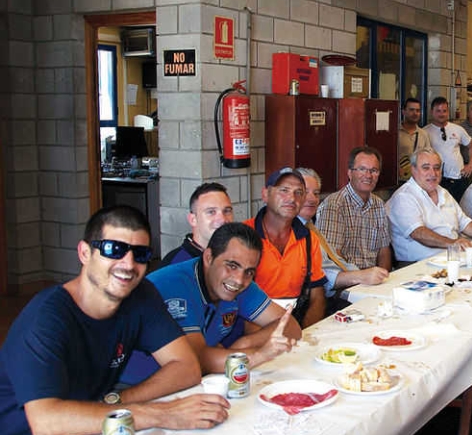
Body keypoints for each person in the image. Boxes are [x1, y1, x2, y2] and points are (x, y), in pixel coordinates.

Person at [0, 206, 228, 435]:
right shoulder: (46, 318)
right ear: (84, 253)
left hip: (98, 425)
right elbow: (46, 423)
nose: (128, 264)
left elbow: (186, 367)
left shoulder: (139, 295)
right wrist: (163, 413)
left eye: (140, 254)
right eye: (113, 249)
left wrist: (114, 402)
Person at [119, 223, 303, 384]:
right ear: (208, 257)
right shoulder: (176, 285)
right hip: (138, 386)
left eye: (249, 271)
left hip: (193, 381)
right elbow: (199, 359)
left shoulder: (240, 284)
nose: (239, 280)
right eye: (231, 265)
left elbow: (291, 326)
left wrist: (243, 343)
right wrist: (260, 354)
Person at [387, 148, 472, 264]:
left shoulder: (442, 192)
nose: (432, 173)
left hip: (452, 257)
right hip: (418, 265)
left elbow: (464, 223)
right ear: (413, 170)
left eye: (437, 168)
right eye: (426, 168)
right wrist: (452, 243)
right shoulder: (404, 196)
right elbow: (418, 233)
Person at [246, 167, 327, 328]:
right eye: (284, 190)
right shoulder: (244, 236)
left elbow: (317, 296)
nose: (291, 198)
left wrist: (305, 334)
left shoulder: (308, 239)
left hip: (295, 325)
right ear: (265, 195)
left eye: (299, 192)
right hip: (252, 328)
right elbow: (235, 300)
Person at [304, 155, 391, 300]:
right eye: (362, 169)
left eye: (374, 170)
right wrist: (361, 277)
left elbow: (384, 250)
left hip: (370, 281)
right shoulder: (334, 205)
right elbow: (334, 261)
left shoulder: (379, 204)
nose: (368, 175)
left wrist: (383, 278)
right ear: (349, 173)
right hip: (346, 287)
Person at [161, 182, 234, 267]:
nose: (222, 219)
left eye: (227, 211)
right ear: (193, 220)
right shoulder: (175, 265)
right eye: (211, 212)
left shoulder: (236, 256)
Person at [425, 96, 472, 202]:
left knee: (460, 209)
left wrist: (470, 165)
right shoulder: (425, 132)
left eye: (444, 111)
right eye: (438, 111)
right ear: (432, 112)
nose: (442, 114)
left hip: (459, 179)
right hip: (437, 179)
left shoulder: (458, 129)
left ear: (448, 112)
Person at [398, 97, 431, 184]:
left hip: (418, 180)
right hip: (399, 180)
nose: (415, 113)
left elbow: (428, 156)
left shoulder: (424, 134)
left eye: (417, 110)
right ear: (403, 111)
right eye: (411, 110)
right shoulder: (395, 132)